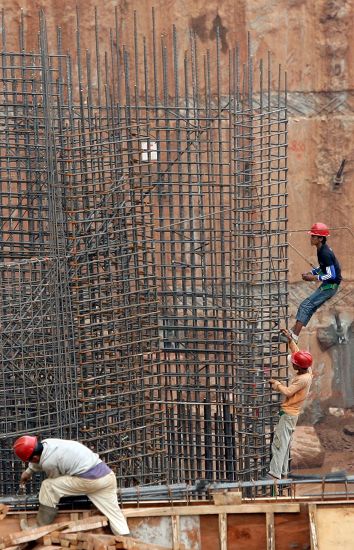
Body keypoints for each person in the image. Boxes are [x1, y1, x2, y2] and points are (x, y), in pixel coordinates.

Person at [13, 436, 130, 535]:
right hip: (107, 476)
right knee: (115, 515)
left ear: (34, 458)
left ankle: (39, 529)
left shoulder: (49, 462)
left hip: (89, 480)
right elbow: (41, 458)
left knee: (49, 486)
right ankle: (126, 540)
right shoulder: (47, 443)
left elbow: (54, 477)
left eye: (30, 460)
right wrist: (28, 472)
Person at [280, 222, 341, 343]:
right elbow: (323, 268)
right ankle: (294, 331)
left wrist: (312, 278)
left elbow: (331, 275)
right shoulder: (321, 250)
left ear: (321, 238)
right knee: (309, 307)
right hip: (329, 285)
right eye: (311, 236)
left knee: (305, 305)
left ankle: (294, 336)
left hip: (330, 286)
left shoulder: (325, 253)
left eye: (314, 236)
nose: (311, 238)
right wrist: (311, 272)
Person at [266, 329, 313, 479]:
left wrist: (276, 384)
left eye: (294, 363)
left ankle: (274, 474)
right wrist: (290, 340)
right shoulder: (307, 371)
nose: (292, 363)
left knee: (279, 444)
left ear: (298, 367)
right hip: (291, 414)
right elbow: (298, 353)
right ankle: (283, 472)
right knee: (284, 444)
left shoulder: (302, 379)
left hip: (288, 415)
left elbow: (287, 392)